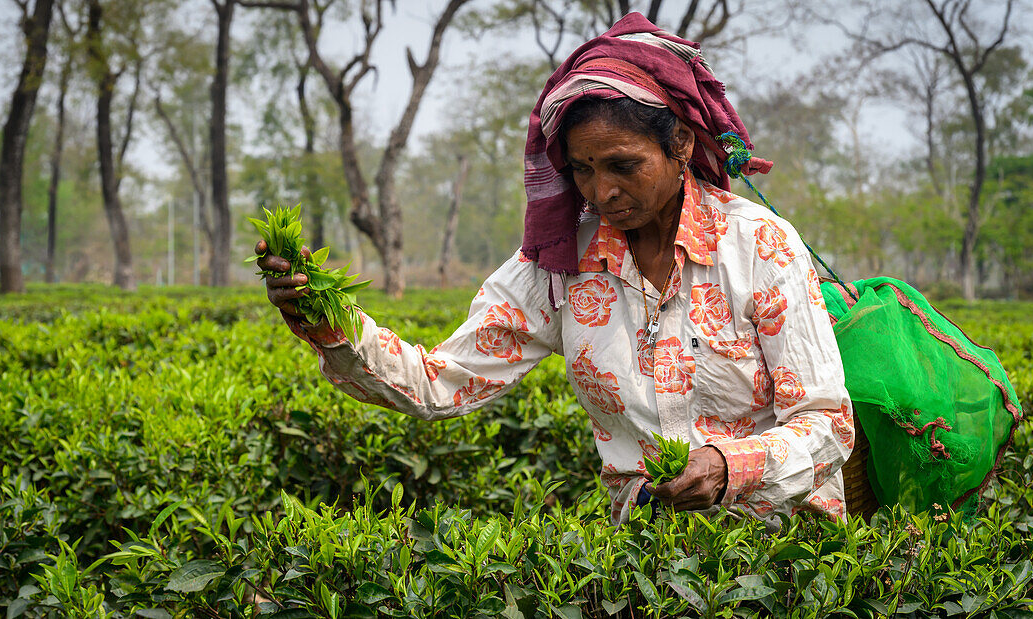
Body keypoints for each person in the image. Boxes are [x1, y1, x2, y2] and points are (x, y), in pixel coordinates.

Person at [256, 13, 853, 525]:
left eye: (623, 164)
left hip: (780, 550)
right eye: (583, 170)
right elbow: (440, 383)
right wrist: (324, 313)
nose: (602, 191)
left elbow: (827, 422)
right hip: (648, 553)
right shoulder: (562, 262)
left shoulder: (759, 246)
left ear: (679, 146)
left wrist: (729, 467)